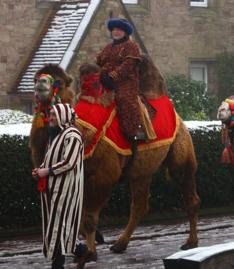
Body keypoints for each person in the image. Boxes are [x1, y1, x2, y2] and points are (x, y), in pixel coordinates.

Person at [32, 103, 84, 269]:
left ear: (64, 116)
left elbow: (69, 162)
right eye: (51, 114)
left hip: (66, 188)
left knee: (58, 222)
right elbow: (52, 159)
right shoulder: (56, 134)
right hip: (53, 186)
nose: (51, 118)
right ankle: (80, 250)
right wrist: (40, 170)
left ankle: (58, 261)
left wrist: (46, 171)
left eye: (54, 115)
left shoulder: (73, 135)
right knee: (57, 222)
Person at [96, 18, 145, 153]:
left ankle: (133, 131)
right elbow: (99, 61)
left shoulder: (132, 46)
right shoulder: (108, 47)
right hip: (105, 79)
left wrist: (113, 76)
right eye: (114, 30)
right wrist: (101, 75)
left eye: (119, 30)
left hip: (126, 81)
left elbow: (128, 65)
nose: (116, 32)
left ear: (125, 32)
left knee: (124, 98)